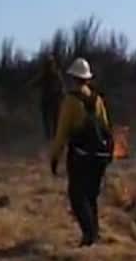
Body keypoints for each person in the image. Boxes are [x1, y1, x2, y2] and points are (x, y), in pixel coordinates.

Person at [49, 57, 114, 247]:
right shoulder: (97, 100)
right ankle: (94, 233)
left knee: (77, 196)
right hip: (99, 157)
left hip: (80, 156)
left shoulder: (70, 101)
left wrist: (55, 158)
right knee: (91, 195)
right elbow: (106, 128)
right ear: (87, 78)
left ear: (73, 78)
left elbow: (62, 132)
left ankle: (89, 235)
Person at [30, 55, 65, 141]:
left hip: (54, 101)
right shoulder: (45, 75)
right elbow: (35, 83)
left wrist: (62, 95)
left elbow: (62, 87)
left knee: (54, 122)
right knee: (47, 122)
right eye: (48, 64)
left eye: (50, 64)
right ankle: (49, 139)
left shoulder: (56, 75)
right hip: (47, 101)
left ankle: (54, 139)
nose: (50, 66)